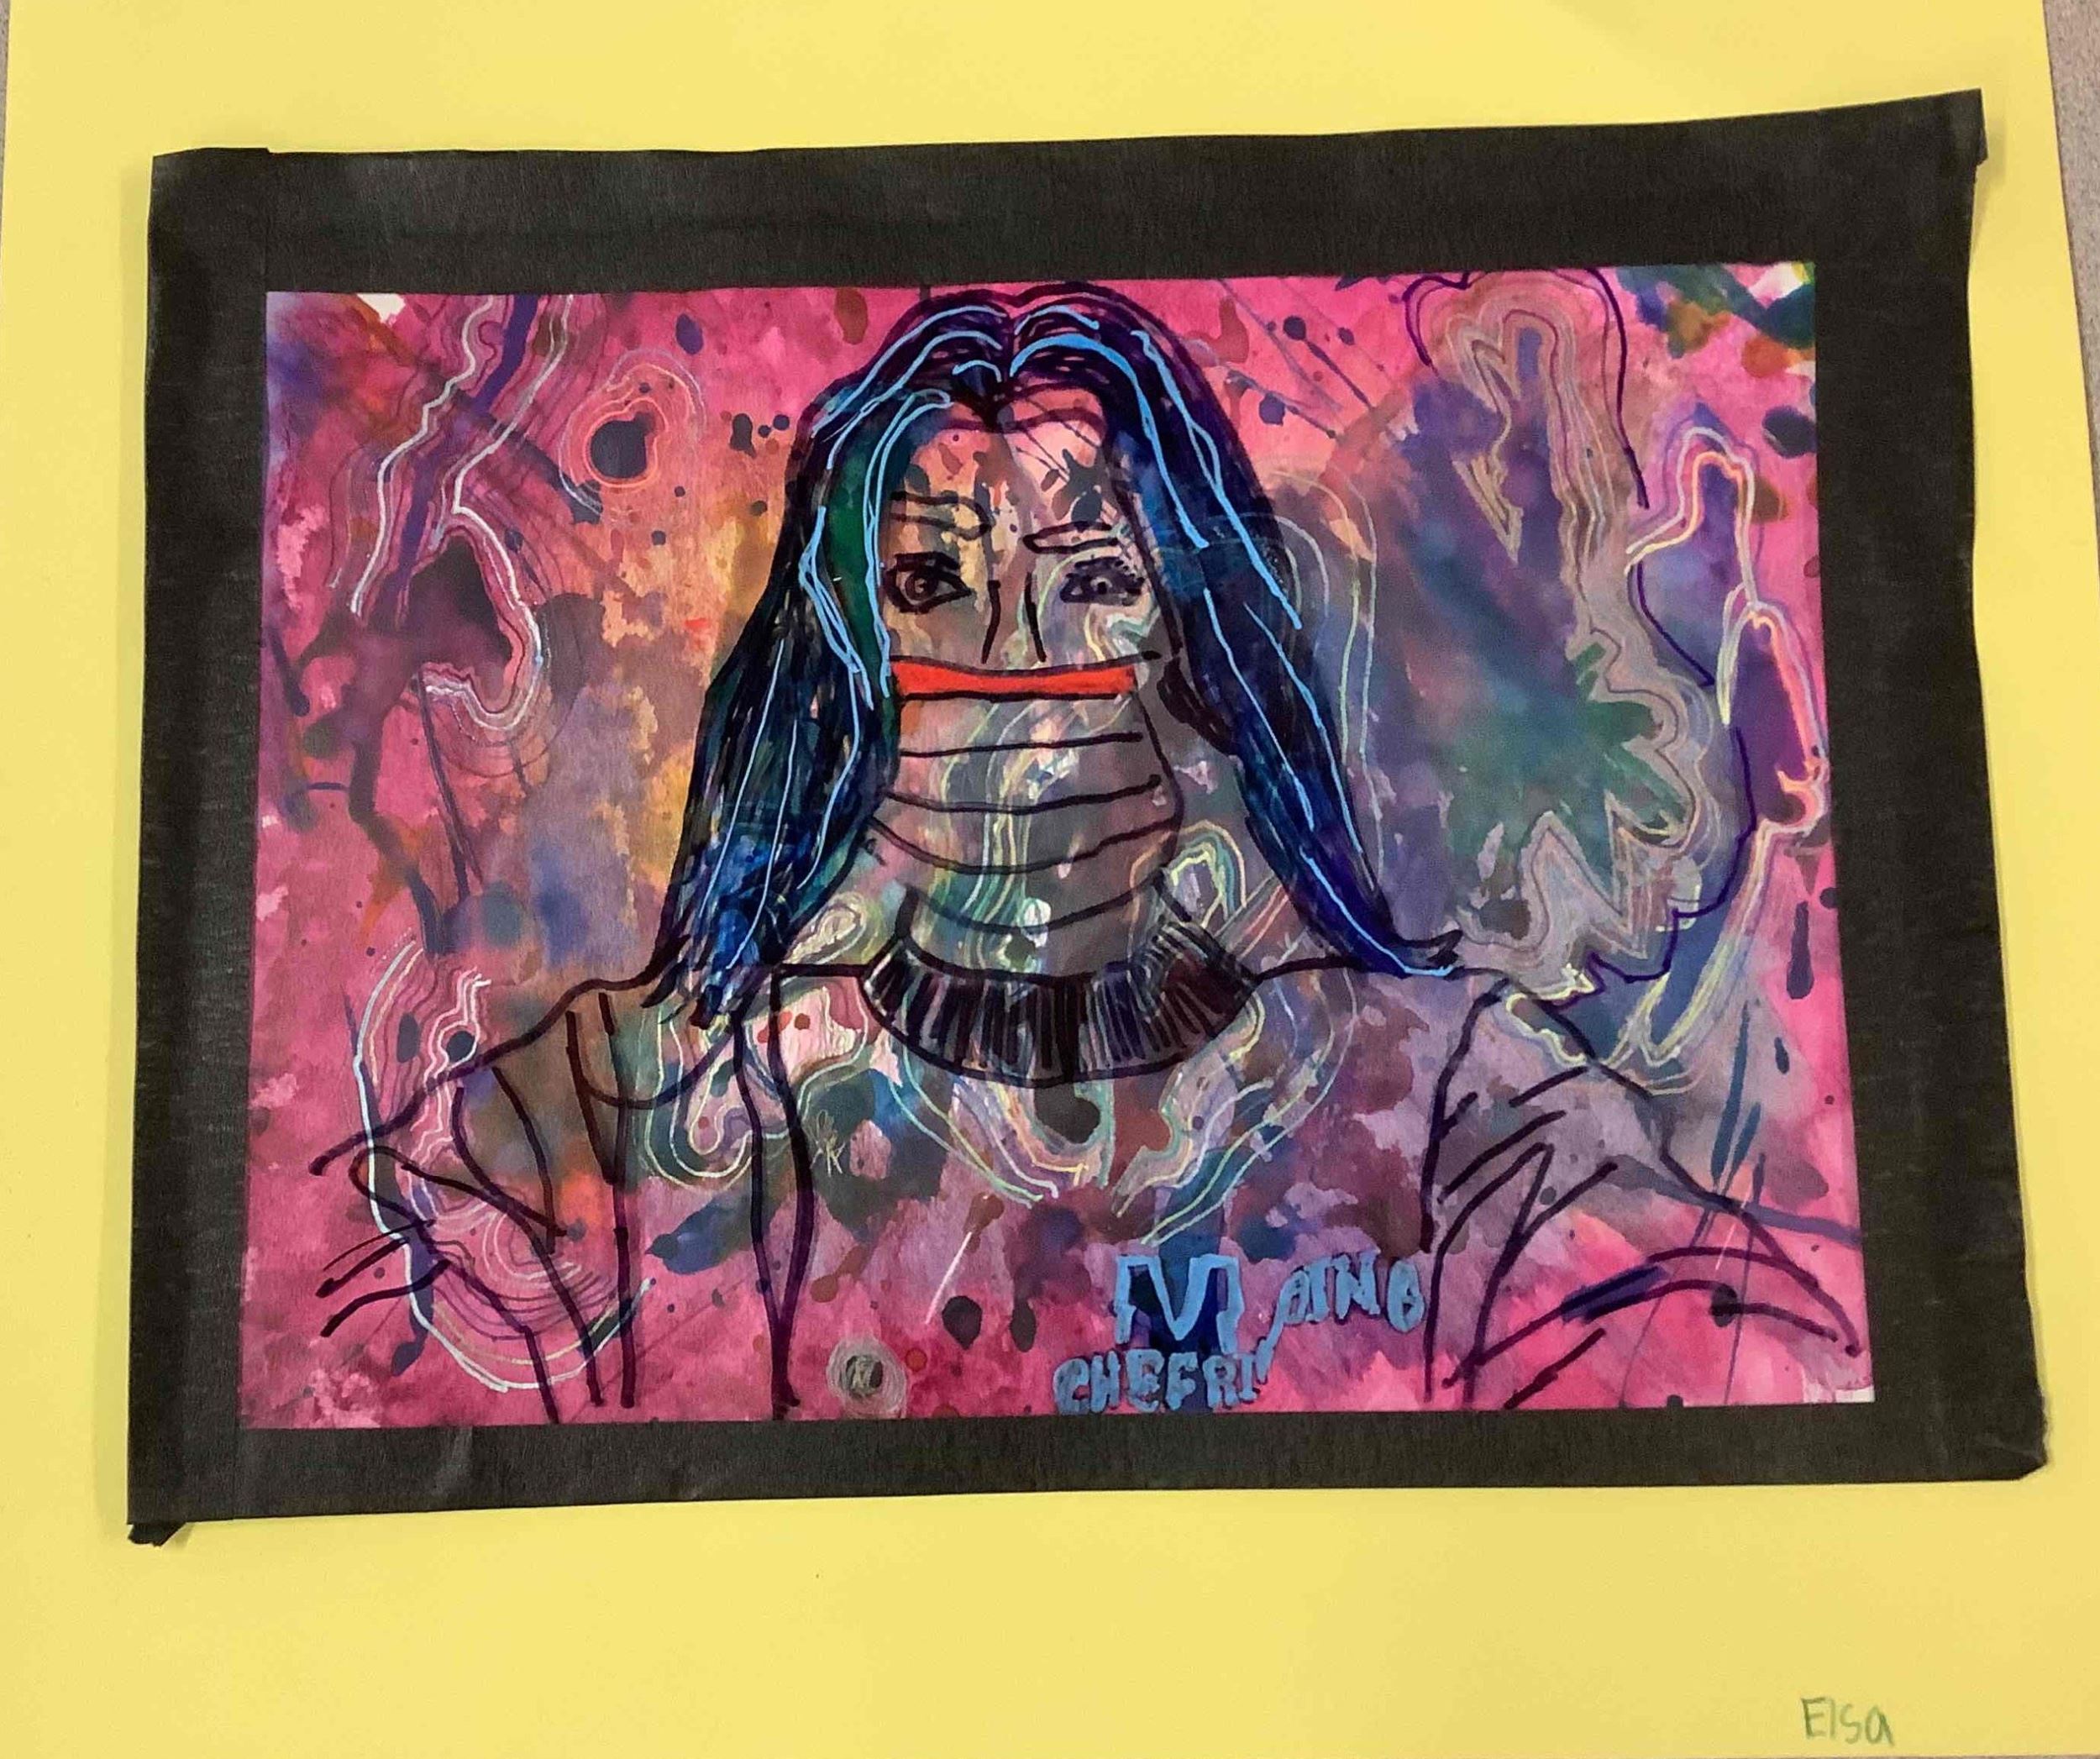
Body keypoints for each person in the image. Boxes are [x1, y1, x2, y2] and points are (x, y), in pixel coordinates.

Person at [317, 284, 1861, 1421]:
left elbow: (1743, 1354)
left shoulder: (1446, 1093)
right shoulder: (642, 1098)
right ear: (846, 660)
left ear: (1198, 645)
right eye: (934, 585)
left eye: (1097, 579)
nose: (1026, 670)